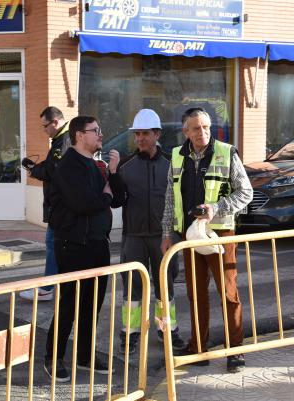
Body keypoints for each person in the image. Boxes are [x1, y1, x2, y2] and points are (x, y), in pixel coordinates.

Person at [161, 107, 253, 373]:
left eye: (205, 127)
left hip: (219, 234)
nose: (201, 132)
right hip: (189, 235)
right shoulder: (177, 156)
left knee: (228, 293)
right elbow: (170, 197)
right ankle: (198, 348)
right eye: (195, 128)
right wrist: (167, 233)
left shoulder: (226, 152)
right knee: (196, 294)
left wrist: (217, 207)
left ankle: (235, 351)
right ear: (185, 132)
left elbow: (246, 192)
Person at [43, 115, 119, 382]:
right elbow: (84, 203)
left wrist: (113, 171)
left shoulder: (96, 165)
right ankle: (53, 357)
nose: (100, 134)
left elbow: (116, 198)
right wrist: (106, 194)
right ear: (79, 135)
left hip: (98, 244)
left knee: (92, 305)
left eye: (99, 129)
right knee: (69, 305)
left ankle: (85, 355)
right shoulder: (68, 166)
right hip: (73, 245)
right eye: (95, 130)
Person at [109, 109, 185, 355]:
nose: (140, 138)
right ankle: (130, 334)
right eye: (137, 134)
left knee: (165, 286)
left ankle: (167, 330)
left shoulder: (172, 164)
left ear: (157, 134)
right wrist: (111, 173)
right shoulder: (125, 166)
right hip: (134, 236)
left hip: (165, 237)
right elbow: (117, 200)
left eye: (145, 133)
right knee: (132, 288)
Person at [19, 106, 70, 302]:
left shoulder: (63, 142)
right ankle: (56, 285)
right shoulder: (61, 140)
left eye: (45, 126)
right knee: (56, 246)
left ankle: (48, 288)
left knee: (52, 245)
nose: (44, 130)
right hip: (59, 204)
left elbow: (52, 170)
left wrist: (33, 169)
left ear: (55, 122)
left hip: (60, 205)